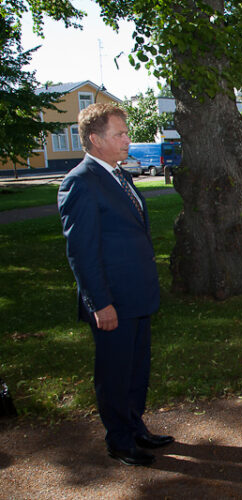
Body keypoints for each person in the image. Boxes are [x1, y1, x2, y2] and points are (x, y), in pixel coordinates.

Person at [58, 103, 174, 466]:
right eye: (120, 134)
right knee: (114, 374)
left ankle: (135, 427)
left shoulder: (117, 175)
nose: (127, 140)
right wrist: (99, 303)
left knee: (137, 369)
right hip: (112, 302)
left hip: (137, 296)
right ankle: (119, 441)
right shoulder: (80, 182)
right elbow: (82, 253)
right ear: (95, 139)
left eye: (126, 133)